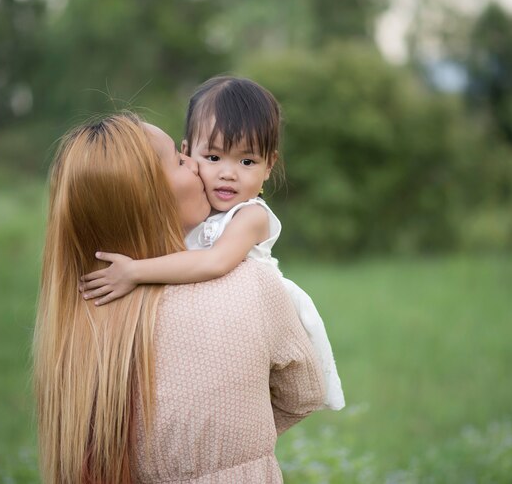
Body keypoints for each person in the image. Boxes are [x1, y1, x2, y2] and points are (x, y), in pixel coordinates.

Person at [33, 112, 325, 484]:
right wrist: (230, 445)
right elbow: (303, 393)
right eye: (179, 157)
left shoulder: (79, 313)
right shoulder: (249, 285)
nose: (198, 166)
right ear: (150, 196)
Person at [79, 77, 345, 410]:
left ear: (269, 166)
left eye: (247, 162)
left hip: (251, 324)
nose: (228, 173)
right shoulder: (195, 207)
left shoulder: (250, 216)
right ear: (188, 153)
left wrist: (134, 271)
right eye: (214, 157)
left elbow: (215, 262)